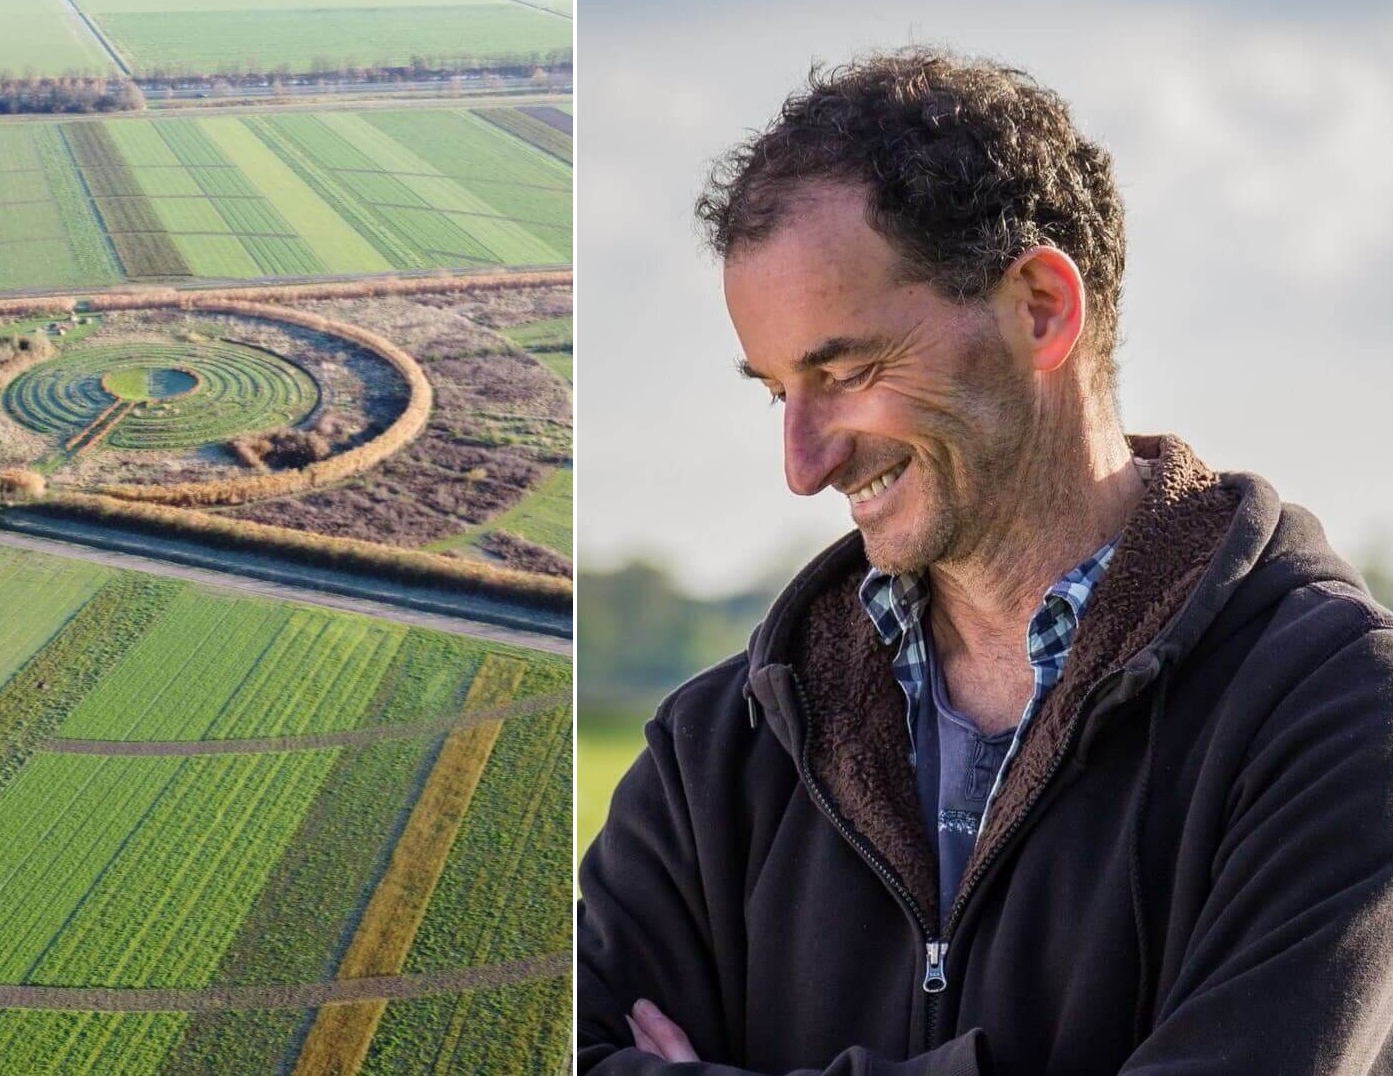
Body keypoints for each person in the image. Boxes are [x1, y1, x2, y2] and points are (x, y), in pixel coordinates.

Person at [576, 48, 1393, 1075]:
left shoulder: (1337, 711)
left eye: (847, 371)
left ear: (1042, 308)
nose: (803, 464)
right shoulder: (717, 751)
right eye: (778, 392)